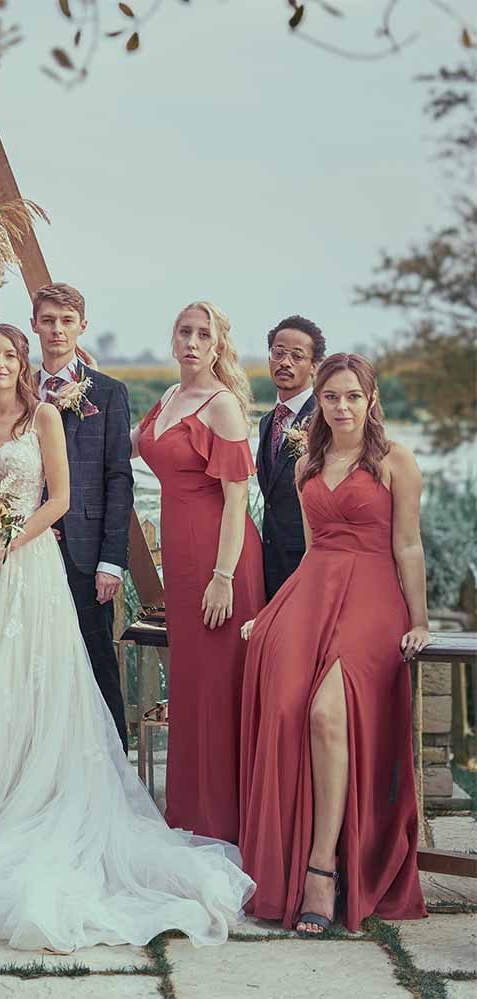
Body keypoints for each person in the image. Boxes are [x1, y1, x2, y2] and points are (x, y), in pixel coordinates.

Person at [0, 323, 253, 953]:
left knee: (18, 684)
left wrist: (5, 540)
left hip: (24, 567)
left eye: (9, 354)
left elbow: (62, 497)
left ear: (23, 363)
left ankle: (14, 806)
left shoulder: (43, 416)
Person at [239, 352, 428, 935]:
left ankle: (323, 868)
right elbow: (309, 551)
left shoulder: (396, 461)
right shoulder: (307, 464)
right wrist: (272, 610)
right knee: (286, 701)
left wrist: (418, 620)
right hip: (313, 590)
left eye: (352, 395)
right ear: (318, 402)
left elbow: (409, 548)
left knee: (327, 712)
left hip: (373, 594)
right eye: (331, 397)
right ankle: (282, 864)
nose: (341, 406)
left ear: (370, 399)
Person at [133, 301, 264, 843]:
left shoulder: (222, 405)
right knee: (191, 688)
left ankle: (226, 825)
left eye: (202, 334)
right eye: (183, 331)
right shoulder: (169, 398)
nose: (191, 341)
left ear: (217, 345)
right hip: (183, 564)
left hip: (221, 560)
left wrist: (224, 576)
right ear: (173, 338)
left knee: (219, 689)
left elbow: (238, 501)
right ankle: (188, 815)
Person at [30, 283, 133, 752]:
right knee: (37, 661)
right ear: (34, 324)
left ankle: (115, 769)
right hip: (30, 549)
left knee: (97, 661)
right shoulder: (18, 390)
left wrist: (112, 561)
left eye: (66, 321)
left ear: (81, 327)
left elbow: (118, 477)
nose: (56, 330)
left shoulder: (109, 393)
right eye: (48, 320)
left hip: (87, 550)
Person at [257, 316, 326, 599]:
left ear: (314, 366)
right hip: (271, 559)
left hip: (311, 560)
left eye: (297, 356)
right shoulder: (265, 422)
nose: (285, 362)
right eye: (278, 352)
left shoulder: (326, 420)